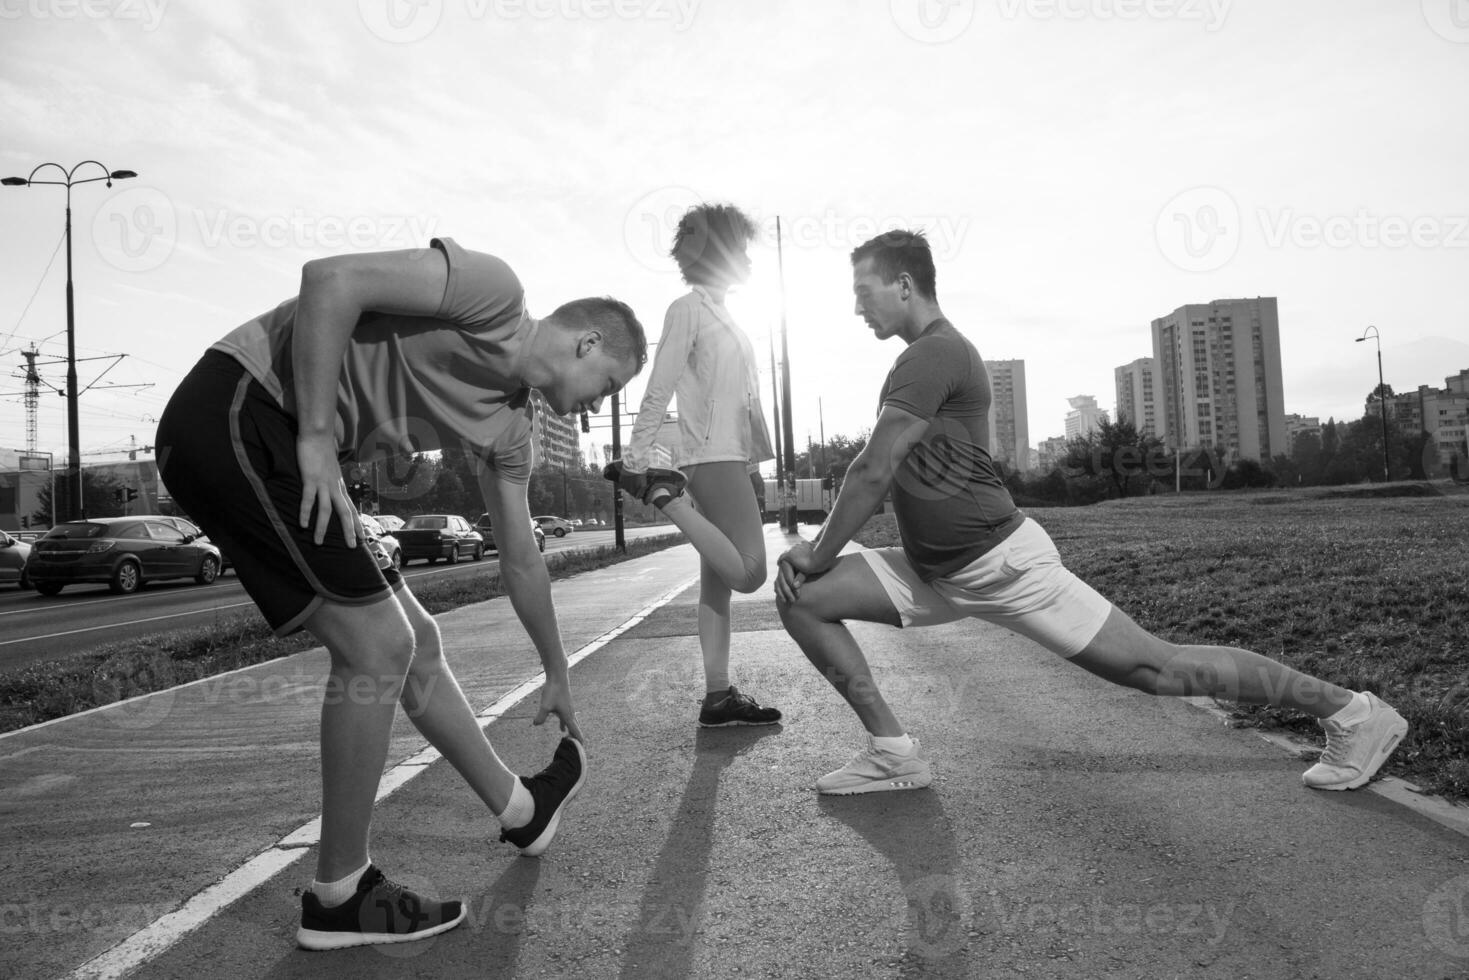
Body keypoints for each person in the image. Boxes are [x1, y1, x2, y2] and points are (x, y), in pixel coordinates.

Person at [774, 229, 1408, 796]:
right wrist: (820, 566)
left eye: (864, 290)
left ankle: (1352, 712)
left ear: (904, 284)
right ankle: (893, 754)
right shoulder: (921, 357)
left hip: (1000, 565)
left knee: (1155, 668)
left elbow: (872, 469)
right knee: (803, 597)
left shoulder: (934, 352)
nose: (857, 305)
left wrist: (819, 550)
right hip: (933, 569)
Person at [156, 238, 646, 949]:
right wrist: (322, 435)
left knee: (417, 642)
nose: (600, 407)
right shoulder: (493, 291)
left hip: (287, 438)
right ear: (587, 342)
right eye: (609, 385)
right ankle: (339, 894)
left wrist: (557, 667)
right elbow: (331, 280)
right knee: (377, 647)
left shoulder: (513, 431)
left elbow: (521, 559)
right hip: (241, 404)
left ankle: (521, 809)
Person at [606, 203, 783, 728]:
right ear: (720, 253)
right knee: (752, 574)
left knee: (717, 585)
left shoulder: (726, 313)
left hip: (732, 458)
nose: (749, 260)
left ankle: (717, 696)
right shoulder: (688, 310)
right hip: (710, 459)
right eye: (742, 249)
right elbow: (659, 386)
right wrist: (639, 460)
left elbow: (742, 402)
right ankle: (665, 496)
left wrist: (754, 467)